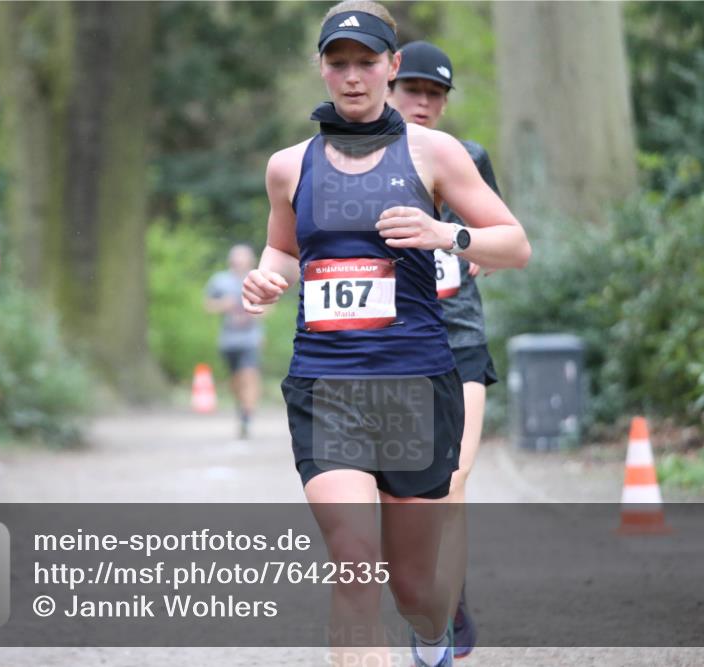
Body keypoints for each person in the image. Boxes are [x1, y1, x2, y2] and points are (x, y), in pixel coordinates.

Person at [241, 3, 529, 665]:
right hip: (327, 385)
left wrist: (444, 233)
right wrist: (267, 279)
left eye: (366, 62)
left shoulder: (435, 153)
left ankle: (432, 636)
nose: (352, 76)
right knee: (353, 564)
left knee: (415, 589)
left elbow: (514, 244)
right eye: (337, 62)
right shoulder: (288, 166)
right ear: (320, 67)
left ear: (390, 66)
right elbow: (283, 251)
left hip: (415, 386)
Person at [388, 40, 501, 660]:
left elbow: (500, 235)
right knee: (404, 497)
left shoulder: (468, 157)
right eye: (414, 90)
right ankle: (425, 591)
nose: (424, 103)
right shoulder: (352, 161)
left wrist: (471, 244)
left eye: (436, 94)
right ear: (389, 86)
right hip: (388, 347)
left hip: (459, 338)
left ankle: (445, 613)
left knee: (453, 481)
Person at [205, 244, 263, 439]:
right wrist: (223, 304)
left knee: (249, 375)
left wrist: (255, 311)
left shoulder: (258, 279)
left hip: (251, 339)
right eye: (236, 257)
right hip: (228, 340)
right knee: (236, 380)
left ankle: (247, 416)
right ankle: (242, 408)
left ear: (251, 260)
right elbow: (208, 305)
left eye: (243, 257)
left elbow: (269, 306)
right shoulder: (220, 280)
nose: (239, 261)